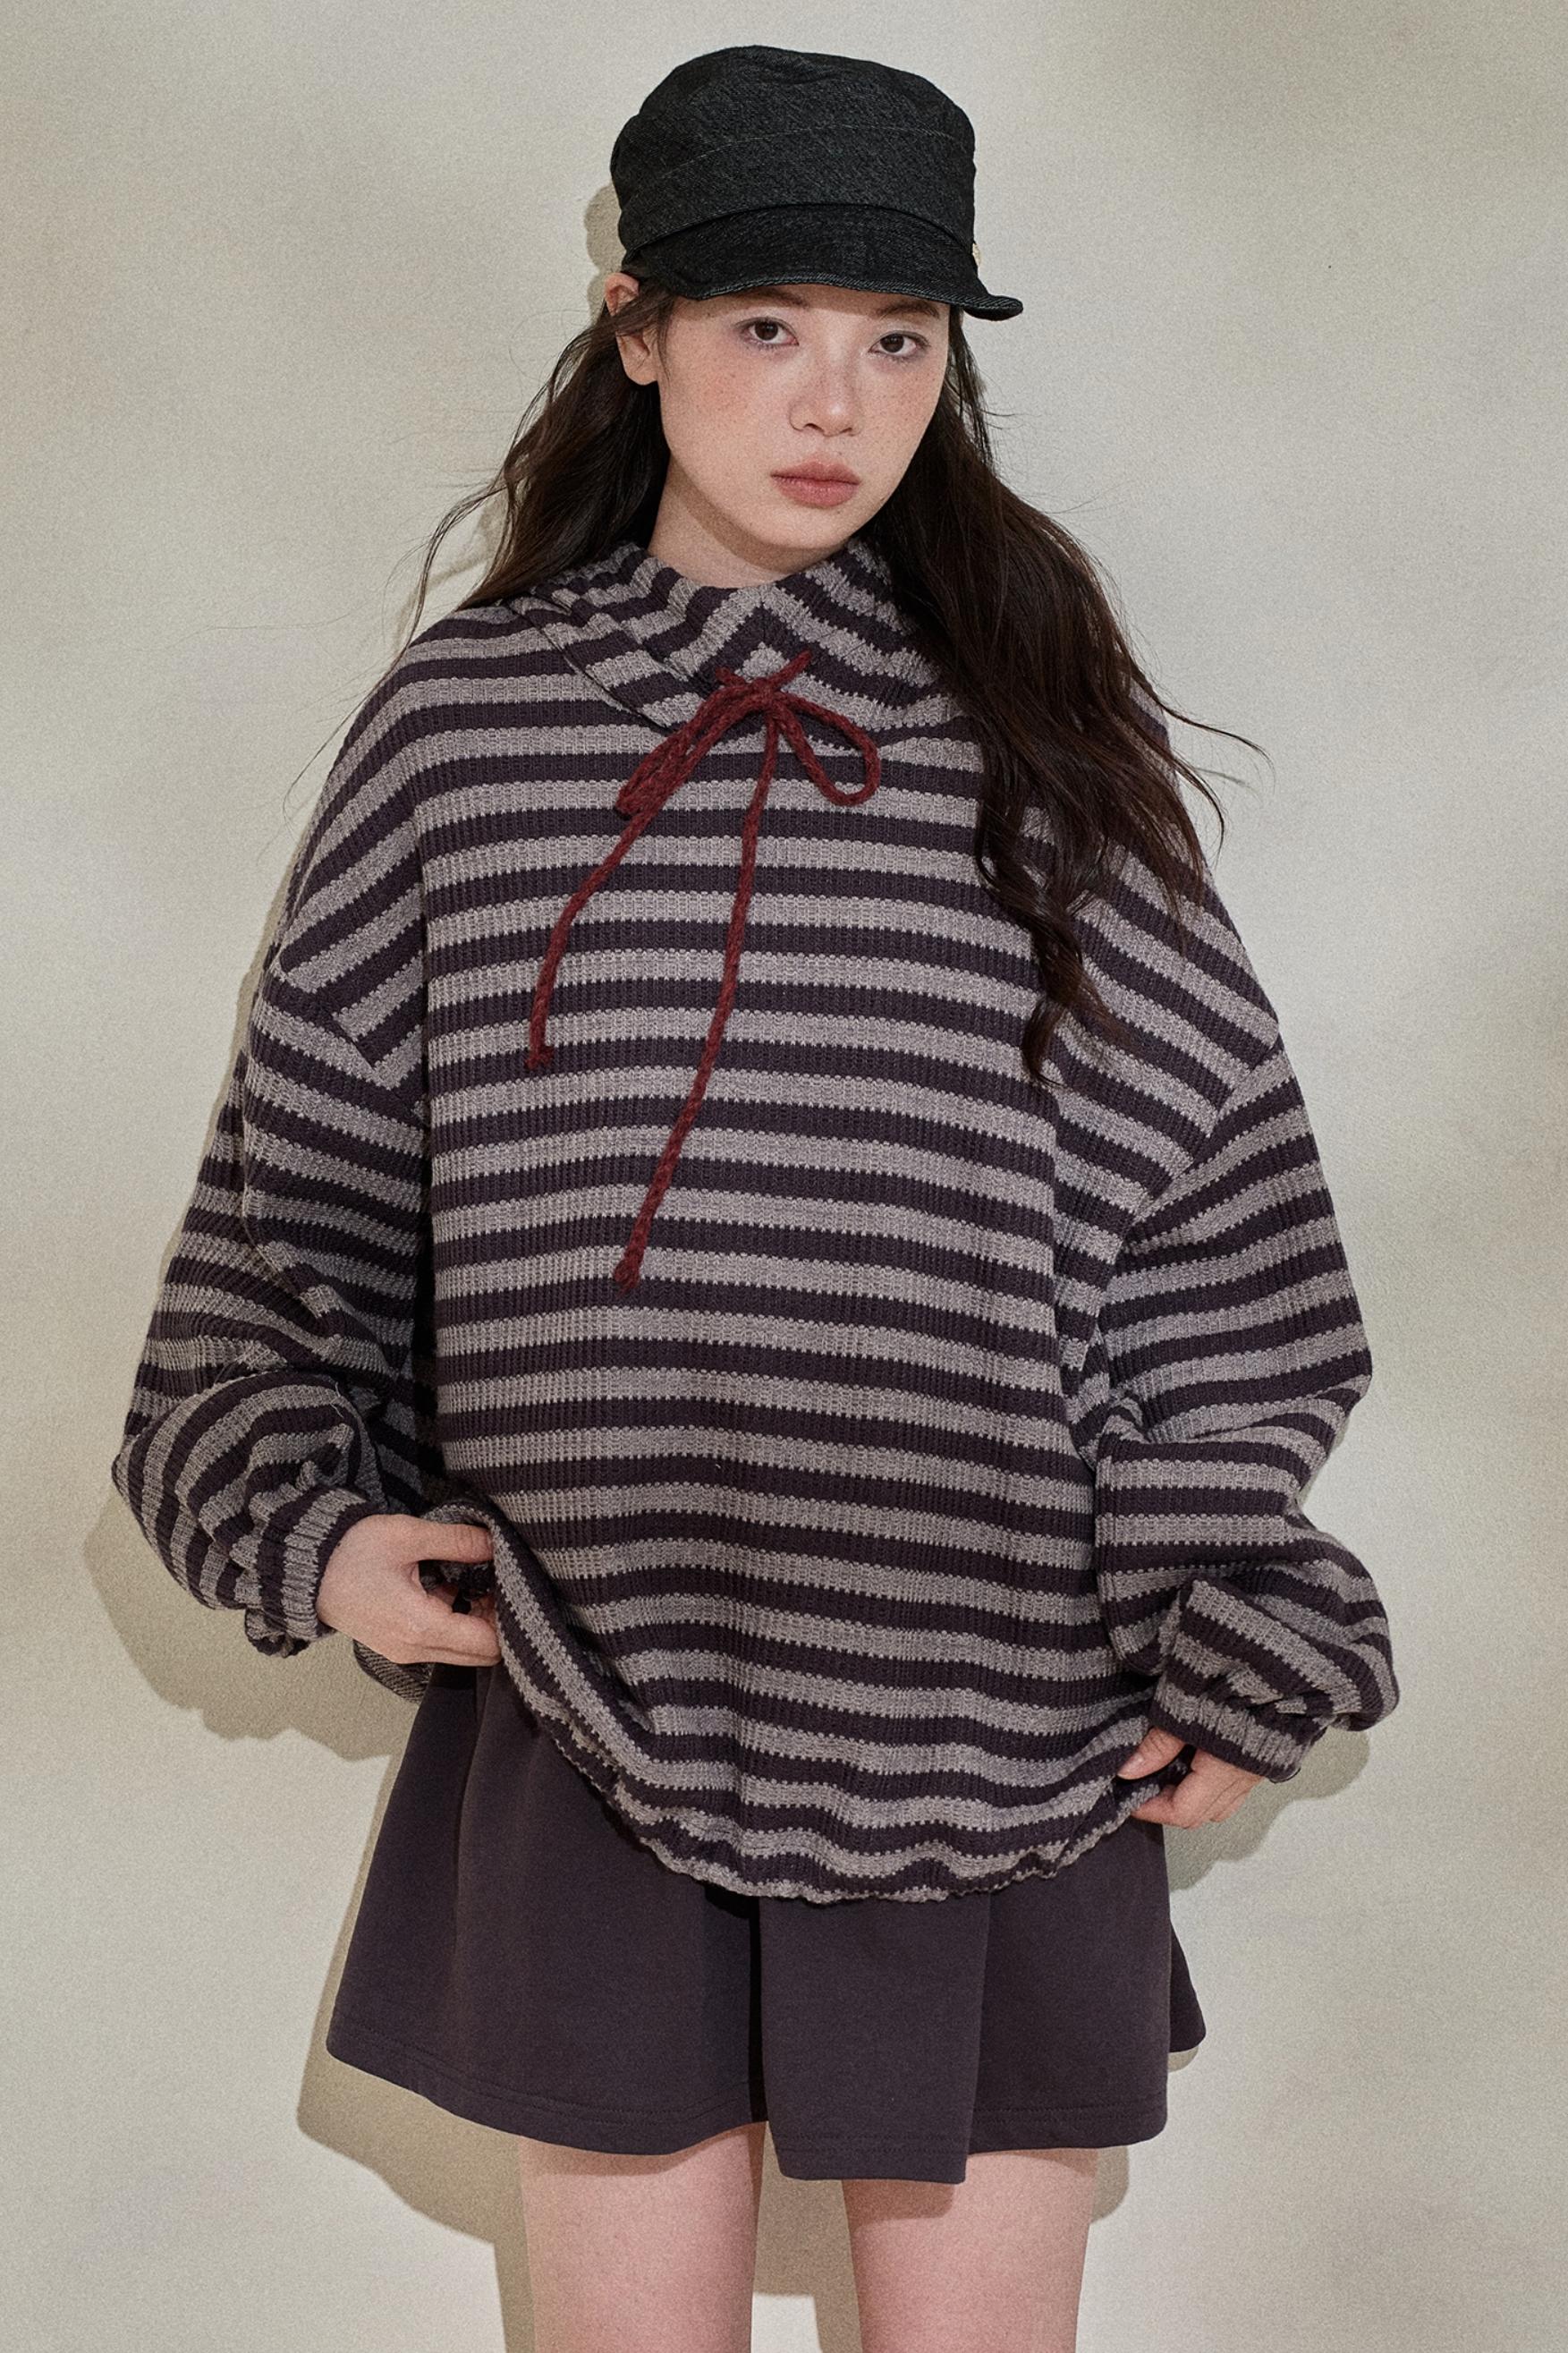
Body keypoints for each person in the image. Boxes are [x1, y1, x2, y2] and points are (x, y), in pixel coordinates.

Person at [109, 41, 1399, 2353]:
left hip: (1010, 1699)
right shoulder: (470, 731)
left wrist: (1227, 1606)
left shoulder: (1044, 739)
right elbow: (303, 1195)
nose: (836, 402)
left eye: (899, 340)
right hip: (594, 1691)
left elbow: (1219, 1238)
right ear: (635, 329)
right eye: (769, 326)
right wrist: (307, 1525)